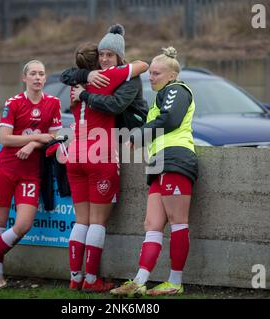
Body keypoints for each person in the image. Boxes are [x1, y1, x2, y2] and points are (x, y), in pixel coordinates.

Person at [110, 47, 199, 297]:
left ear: (172, 75)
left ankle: (175, 282)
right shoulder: (158, 99)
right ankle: (139, 281)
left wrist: (139, 135)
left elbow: (170, 120)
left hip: (176, 158)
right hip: (159, 162)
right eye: (150, 73)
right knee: (152, 223)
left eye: (156, 73)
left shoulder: (177, 90)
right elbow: (149, 121)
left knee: (178, 222)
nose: (151, 77)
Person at [64, 36, 149, 293]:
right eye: (101, 55)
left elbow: (68, 79)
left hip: (74, 155)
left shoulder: (76, 85)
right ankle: (91, 281)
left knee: (81, 221)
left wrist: (84, 78)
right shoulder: (109, 77)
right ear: (96, 62)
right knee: (98, 223)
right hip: (99, 155)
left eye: (108, 55)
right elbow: (143, 65)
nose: (104, 60)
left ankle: (74, 278)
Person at [0, 60, 61, 289]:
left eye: (42, 73)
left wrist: (33, 145)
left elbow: (53, 138)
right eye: (33, 73)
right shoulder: (13, 103)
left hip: (31, 173)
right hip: (5, 167)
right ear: (25, 78)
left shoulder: (53, 103)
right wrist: (36, 137)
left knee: (23, 225)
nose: (38, 77)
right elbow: (5, 138)